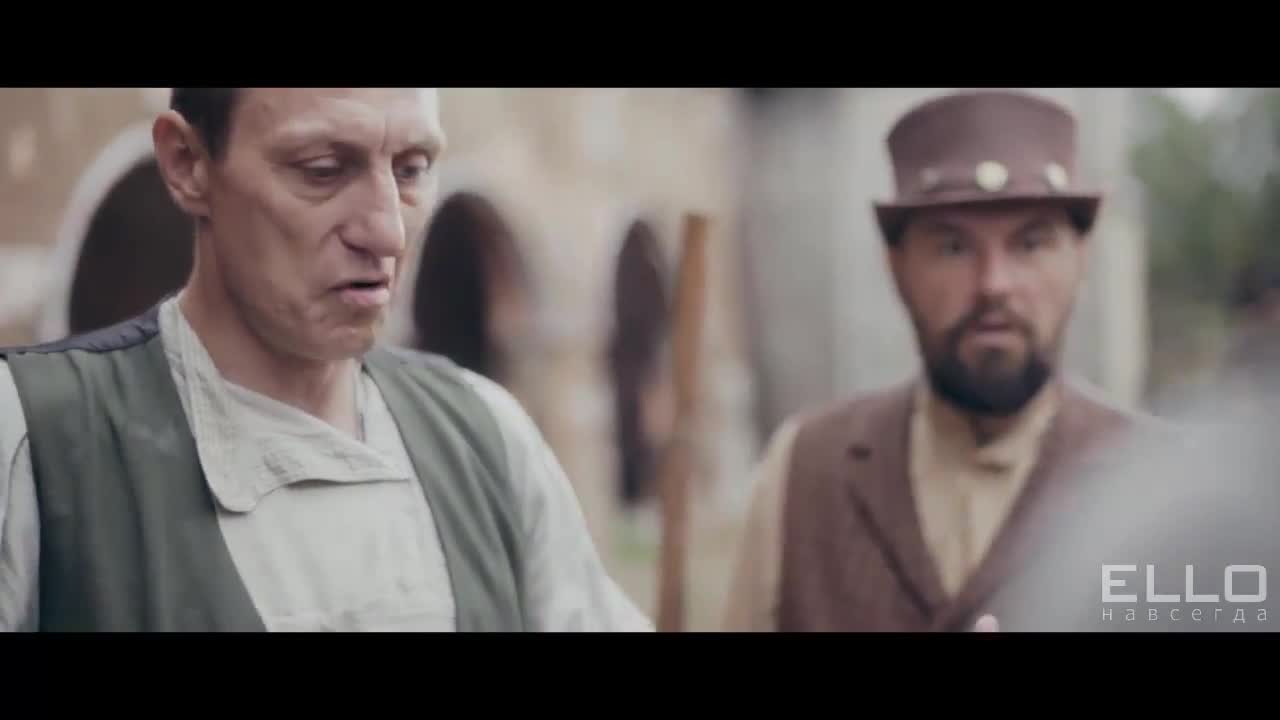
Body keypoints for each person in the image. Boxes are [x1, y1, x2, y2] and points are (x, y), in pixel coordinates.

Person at [0, 88, 653, 632]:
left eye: (411, 170)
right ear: (188, 162)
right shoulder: (34, 441)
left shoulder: (487, 438)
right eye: (322, 170)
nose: (387, 232)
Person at [722, 89, 1170, 632]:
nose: (993, 284)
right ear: (896, 267)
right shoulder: (803, 472)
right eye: (953, 247)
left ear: (1081, 259)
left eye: (1030, 244)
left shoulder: (1164, 487)